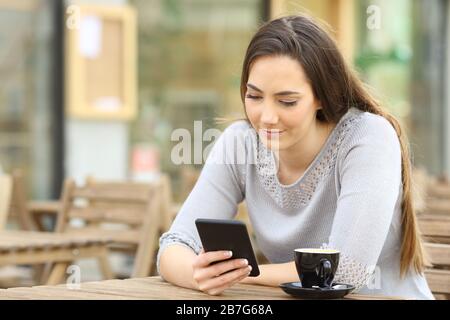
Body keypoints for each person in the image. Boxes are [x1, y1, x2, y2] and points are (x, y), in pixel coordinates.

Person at [157, 14, 434, 299]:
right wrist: (198, 274)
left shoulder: (367, 137)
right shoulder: (240, 143)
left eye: (287, 101)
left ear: (322, 96)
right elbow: (173, 245)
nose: (266, 117)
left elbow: (345, 270)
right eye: (254, 96)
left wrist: (241, 275)